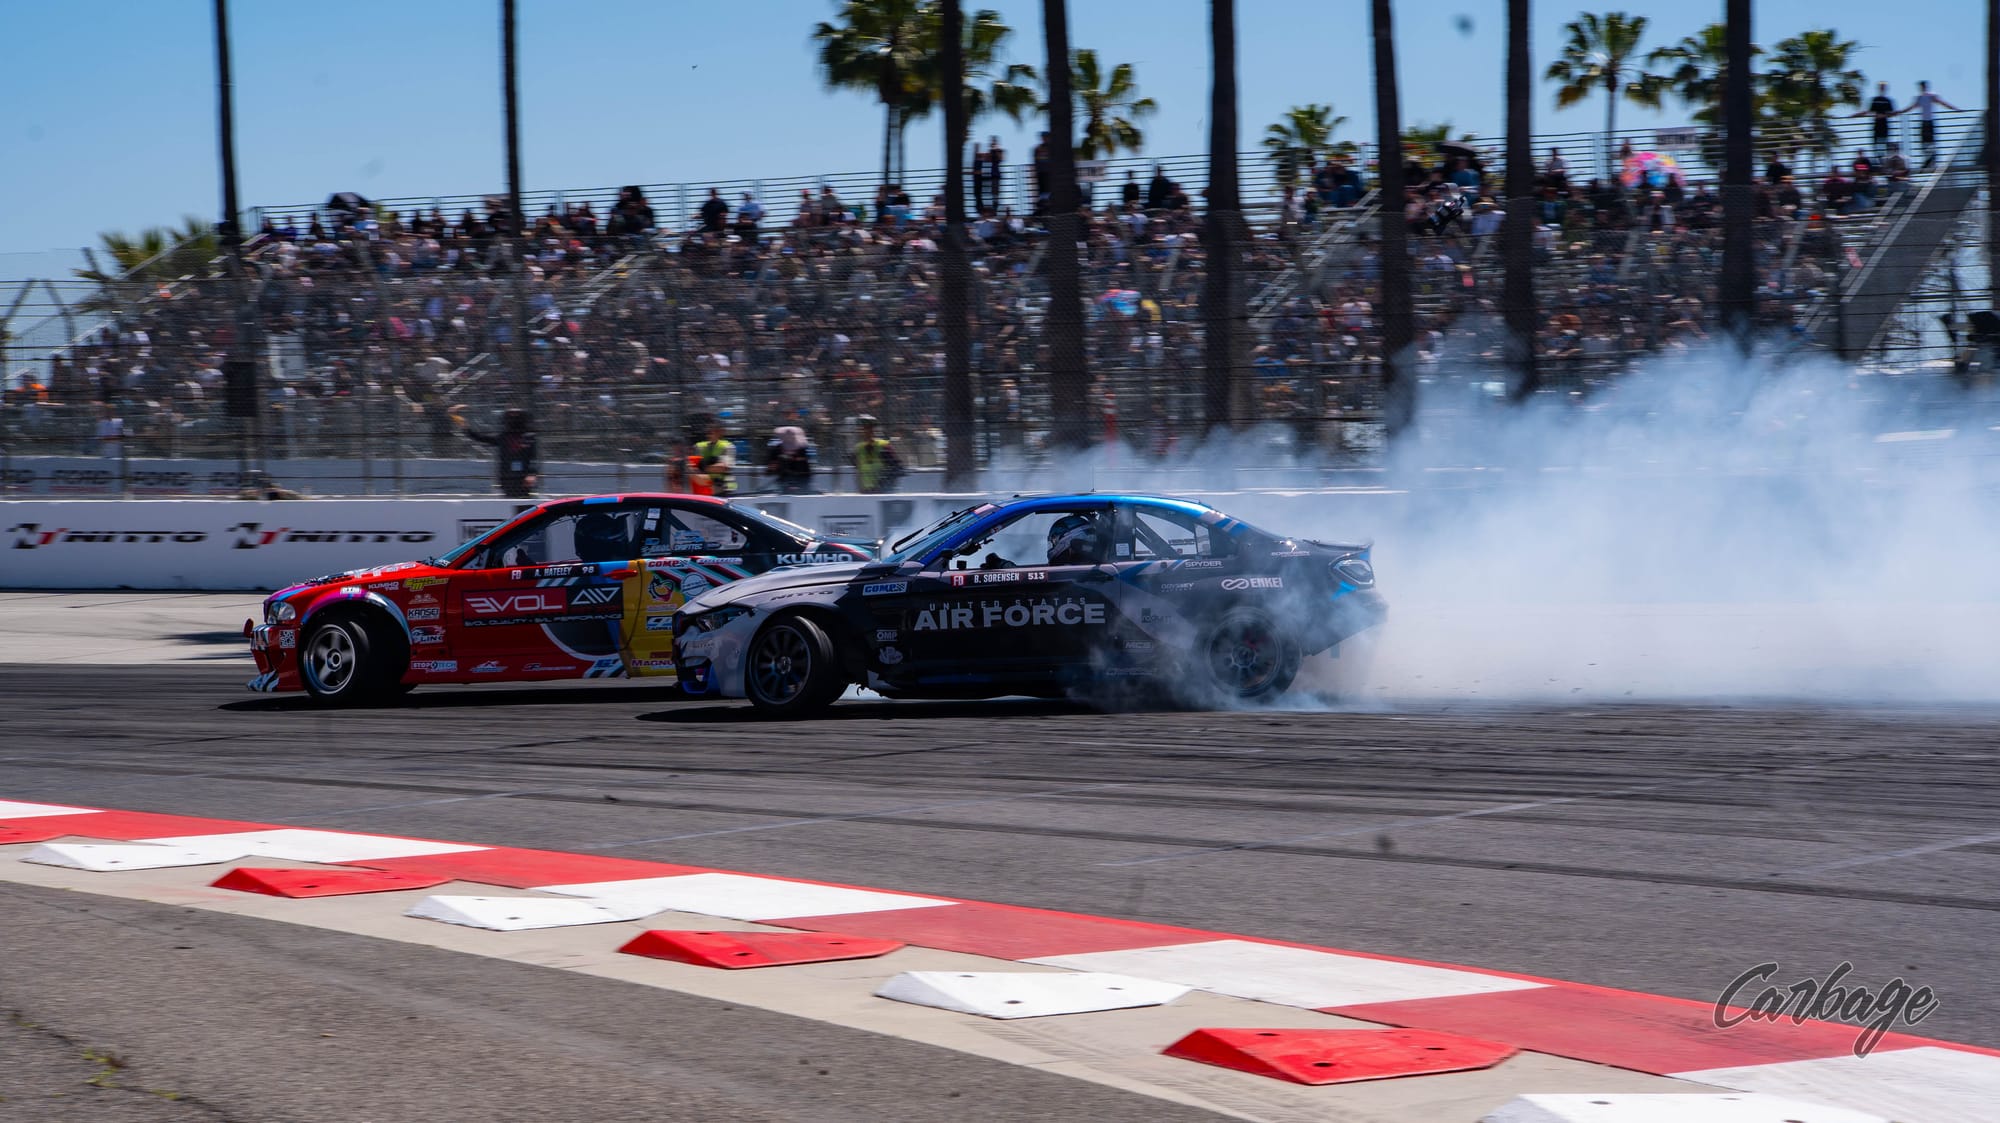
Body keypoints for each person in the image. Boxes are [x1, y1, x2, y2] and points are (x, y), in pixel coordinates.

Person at [457, 407, 537, 499]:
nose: (513, 419)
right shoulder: (504, 436)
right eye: (511, 416)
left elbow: (533, 457)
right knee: (509, 497)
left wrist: (532, 474)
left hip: (523, 476)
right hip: (507, 476)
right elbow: (483, 438)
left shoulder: (528, 436)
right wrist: (466, 429)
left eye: (516, 416)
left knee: (524, 498)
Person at [1907, 81, 1961, 168]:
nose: (1922, 88)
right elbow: (1911, 107)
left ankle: (1932, 160)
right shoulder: (1919, 97)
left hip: (1930, 122)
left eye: (1923, 86)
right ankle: (1928, 160)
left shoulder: (1931, 95)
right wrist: (1899, 112)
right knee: (1923, 143)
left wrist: (1955, 109)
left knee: (1931, 142)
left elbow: (1943, 103)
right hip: (1923, 122)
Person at [852, 415, 902, 494]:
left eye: (868, 428)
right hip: (865, 493)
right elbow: (858, 472)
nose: (863, 431)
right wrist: (860, 491)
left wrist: (882, 485)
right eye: (861, 428)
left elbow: (897, 469)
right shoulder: (858, 449)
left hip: (882, 494)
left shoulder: (883, 446)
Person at [764, 425, 813, 493]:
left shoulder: (800, 448)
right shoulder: (778, 448)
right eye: (786, 435)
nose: (789, 437)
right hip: (784, 477)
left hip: (801, 477)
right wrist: (772, 468)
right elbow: (772, 462)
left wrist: (793, 459)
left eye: (791, 435)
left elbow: (803, 463)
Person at [1853, 82, 1899, 155]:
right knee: (1875, 145)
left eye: (1883, 87)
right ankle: (1878, 159)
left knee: (1885, 145)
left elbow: (1893, 113)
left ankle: (1885, 159)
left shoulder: (1888, 100)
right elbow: (1868, 111)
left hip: (1884, 125)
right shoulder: (1875, 99)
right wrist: (1857, 115)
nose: (1882, 88)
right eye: (1881, 87)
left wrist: (1883, 116)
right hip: (1876, 125)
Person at [694, 420, 737, 495]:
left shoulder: (728, 446)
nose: (709, 433)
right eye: (709, 430)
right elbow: (692, 467)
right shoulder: (699, 447)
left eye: (713, 430)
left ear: (720, 432)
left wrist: (702, 467)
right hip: (705, 487)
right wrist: (713, 464)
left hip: (723, 489)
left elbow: (723, 468)